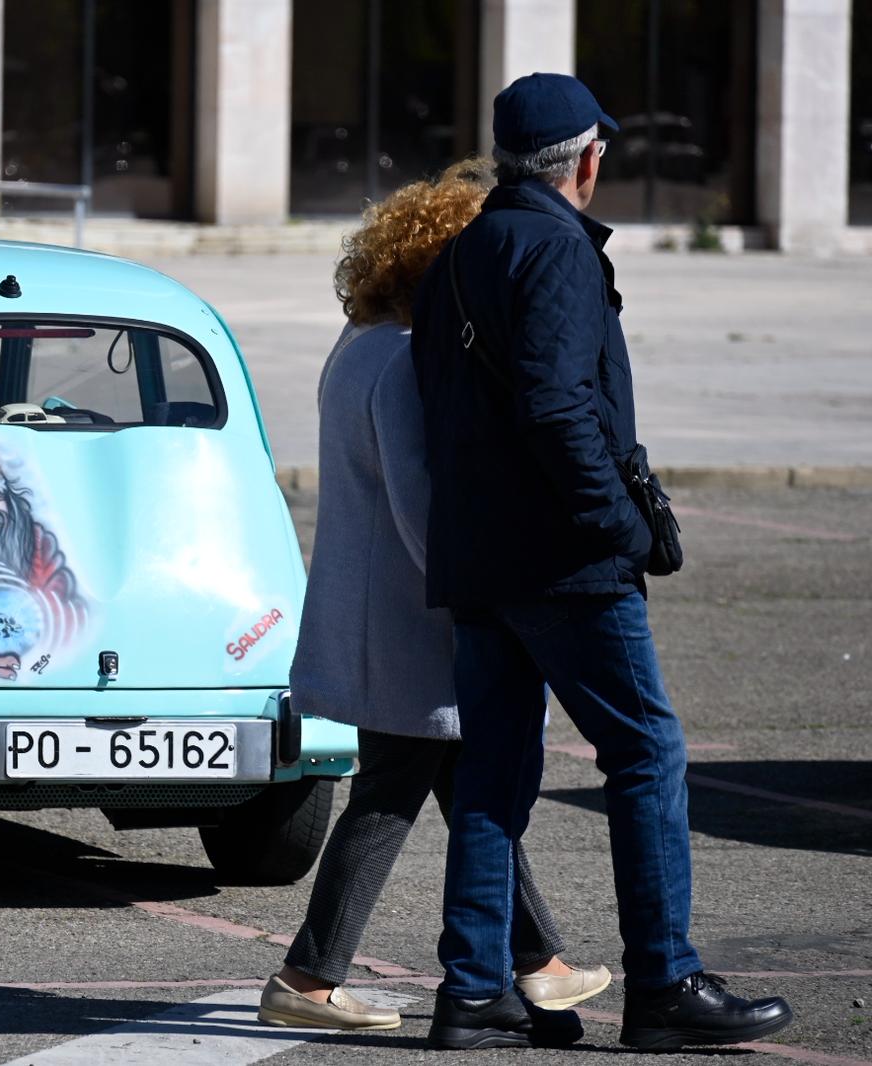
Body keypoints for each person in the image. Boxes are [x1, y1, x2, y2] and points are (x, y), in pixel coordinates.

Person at [410, 73, 794, 1050]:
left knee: (492, 774)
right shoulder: (557, 251)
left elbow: (446, 415)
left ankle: (472, 989)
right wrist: (619, 526)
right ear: (583, 162)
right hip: (562, 560)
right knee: (646, 753)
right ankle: (662, 982)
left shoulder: (456, 257)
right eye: (600, 155)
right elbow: (555, 407)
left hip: (478, 558)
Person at [257, 158, 611, 1033]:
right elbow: (422, 508)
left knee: (462, 788)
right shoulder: (405, 361)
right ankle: (307, 978)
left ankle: (541, 960)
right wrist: (483, 598)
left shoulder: (359, 343)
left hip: (378, 612)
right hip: (410, 623)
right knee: (396, 791)